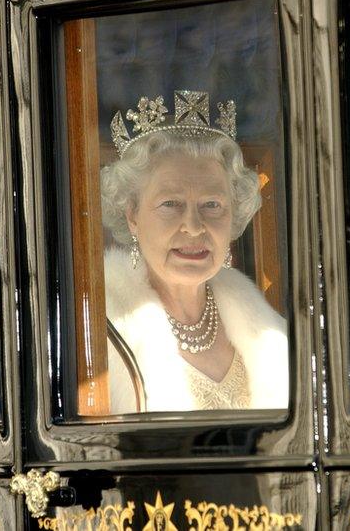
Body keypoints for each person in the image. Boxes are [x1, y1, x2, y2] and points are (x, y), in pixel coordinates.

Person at [99, 90, 288, 413]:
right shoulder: (103, 333)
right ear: (132, 214)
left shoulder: (271, 333)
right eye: (171, 204)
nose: (194, 226)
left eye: (211, 205)